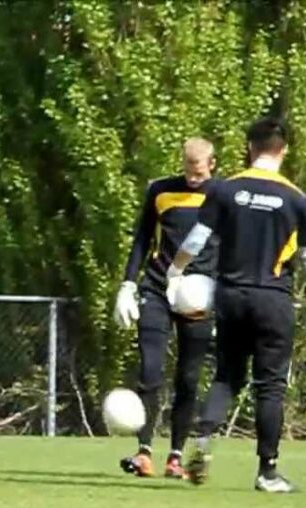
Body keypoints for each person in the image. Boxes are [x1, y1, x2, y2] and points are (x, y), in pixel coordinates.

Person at [167, 117, 306, 493]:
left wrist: (174, 272)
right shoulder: (296, 198)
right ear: (283, 150)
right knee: (269, 386)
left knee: (226, 375)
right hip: (273, 298)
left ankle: (203, 437)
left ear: (250, 148)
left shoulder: (225, 189)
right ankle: (267, 472)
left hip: (231, 296)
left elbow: (198, 237)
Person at [113, 138, 219, 479]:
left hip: (199, 295)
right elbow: (142, 238)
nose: (192, 178)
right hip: (157, 288)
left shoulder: (225, 196)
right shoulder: (160, 190)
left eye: (199, 172)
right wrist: (128, 285)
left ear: (212, 165)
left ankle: (175, 457)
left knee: (188, 377)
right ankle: (144, 452)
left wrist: (225, 298)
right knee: (150, 370)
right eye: (188, 171)